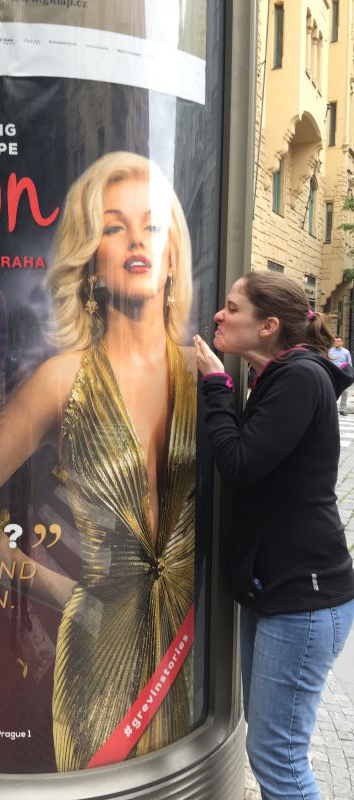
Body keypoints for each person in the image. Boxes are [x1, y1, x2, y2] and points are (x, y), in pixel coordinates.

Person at [0, 151, 197, 771]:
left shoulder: (202, 378)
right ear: (91, 261)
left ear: (173, 257)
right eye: (114, 226)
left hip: (185, 649)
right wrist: (63, 593)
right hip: (96, 666)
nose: (137, 240)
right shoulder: (61, 381)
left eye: (152, 225)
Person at [193, 271, 354, 800]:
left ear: (267, 326)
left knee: (277, 759)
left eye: (232, 307)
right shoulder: (273, 376)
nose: (219, 315)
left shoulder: (299, 378)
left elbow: (240, 463)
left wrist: (215, 385)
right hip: (276, 591)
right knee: (271, 752)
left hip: (301, 598)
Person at [329, 335, 352, 415]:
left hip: (342, 374)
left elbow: (349, 364)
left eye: (338, 341)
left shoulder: (346, 352)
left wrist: (349, 374)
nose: (336, 342)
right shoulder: (330, 351)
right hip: (332, 373)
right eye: (335, 341)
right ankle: (331, 408)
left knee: (345, 391)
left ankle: (342, 409)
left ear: (342, 342)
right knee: (331, 391)